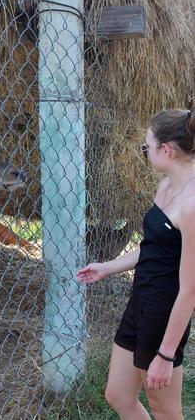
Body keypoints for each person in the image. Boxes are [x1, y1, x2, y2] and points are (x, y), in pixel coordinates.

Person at [77, 108, 195, 420]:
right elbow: (153, 248)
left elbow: (190, 290)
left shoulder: (192, 206)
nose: (146, 153)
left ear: (165, 150)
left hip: (163, 313)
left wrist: (165, 355)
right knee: (118, 395)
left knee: (165, 410)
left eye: (147, 147)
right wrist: (108, 266)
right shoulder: (166, 187)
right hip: (139, 302)